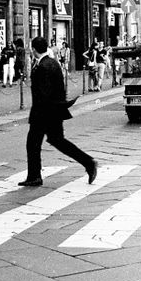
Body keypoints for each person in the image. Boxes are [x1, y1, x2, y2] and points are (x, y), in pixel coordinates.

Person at [21, 36, 97, 187]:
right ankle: (88, 162)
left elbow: (44, 93)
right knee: (57, 141)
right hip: (54, 111)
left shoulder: (43, 66)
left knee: (33, 144)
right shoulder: (53, 63)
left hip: (44, 113)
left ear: (34, 49)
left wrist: (39, 114)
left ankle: (34, 176)